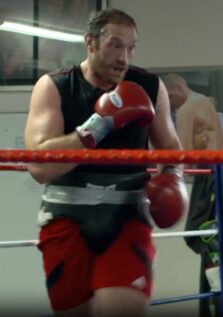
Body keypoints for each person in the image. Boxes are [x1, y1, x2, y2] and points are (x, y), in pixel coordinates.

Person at [24, 8, 187, 317]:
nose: (124, 57)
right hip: (66, 218)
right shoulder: (55, 86)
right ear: (90, 42)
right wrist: (98, 126)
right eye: (115, 45)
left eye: (131, 47)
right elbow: (39, 168)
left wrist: (174, 181)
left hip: (127, 217)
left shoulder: (149, 86)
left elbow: (171, 150)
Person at [163, 73, 223, 317]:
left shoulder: (188, 108)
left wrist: (160, 173)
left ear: (177, 88)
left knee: (198, 232)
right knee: (207, 231)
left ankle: (220, 276)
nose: (168, 103)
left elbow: (183, 155)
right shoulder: (204, 101)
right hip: (219, 173)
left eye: (168, 97)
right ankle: (216, 285)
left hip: (207, 175)